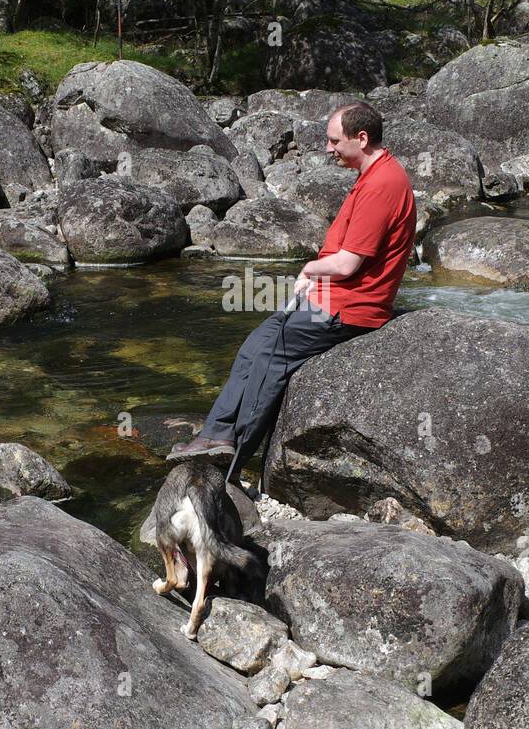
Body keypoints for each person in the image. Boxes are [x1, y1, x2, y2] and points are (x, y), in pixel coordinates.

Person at [169, 101, 416, 481]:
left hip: (350, 308)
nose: (329, 148)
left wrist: (308, 269)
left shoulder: (382, 185)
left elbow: (348, 264)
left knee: (272, 353)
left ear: (361, 138)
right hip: (335, 297)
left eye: (335, 141)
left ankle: (230, 466)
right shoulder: (374, 174)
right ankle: (215, 434)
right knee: (257, 341)